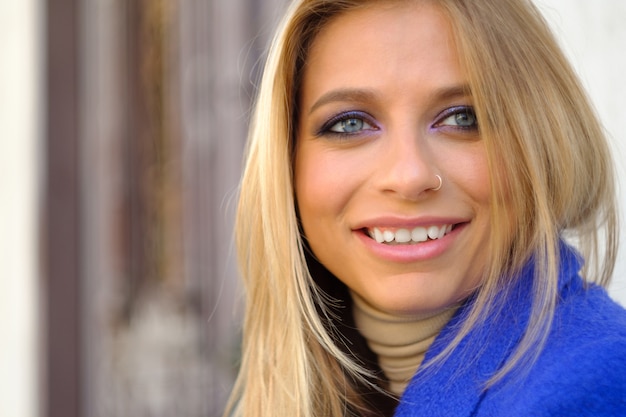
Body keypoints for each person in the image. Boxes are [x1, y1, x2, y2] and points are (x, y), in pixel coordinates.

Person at [225, 0, 626, 416]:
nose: (409, 176)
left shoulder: (592, 386)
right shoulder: (282, 392)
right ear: (287, 164)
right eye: (349, 123)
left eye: (463, 118)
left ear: (542, 142)